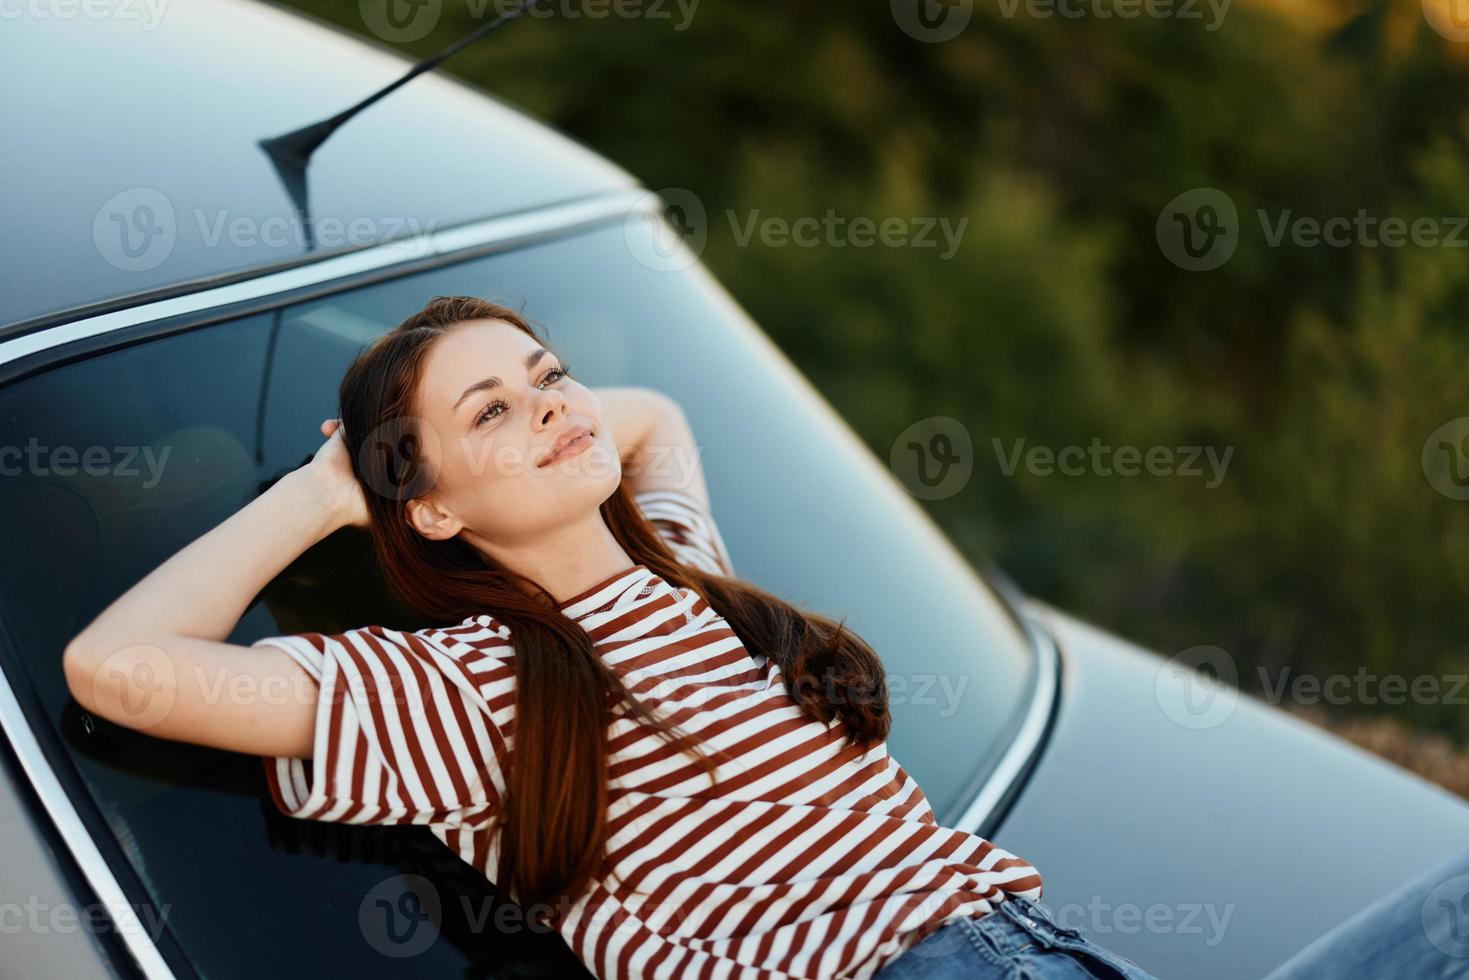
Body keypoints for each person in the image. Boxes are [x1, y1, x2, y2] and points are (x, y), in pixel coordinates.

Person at [57, 294, 1456, 980]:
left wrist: (523, 420)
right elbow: (117, 672)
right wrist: (325, 492)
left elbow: (652, 409)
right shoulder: (452, 694)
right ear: (417, 505)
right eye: (491, 412)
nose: (552, 405)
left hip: (1031, 942)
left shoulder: (693, 578)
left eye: (545, 376)